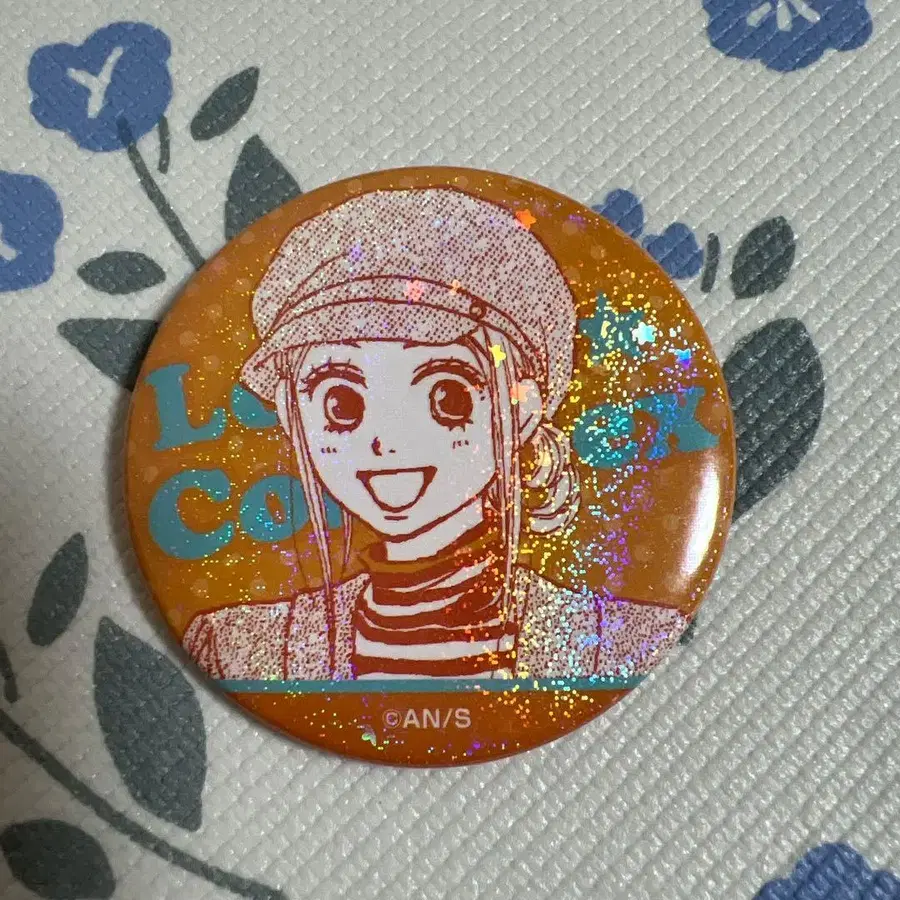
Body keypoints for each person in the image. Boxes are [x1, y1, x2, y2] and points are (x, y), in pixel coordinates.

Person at [183, 186, 687, 682]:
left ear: (522, 410)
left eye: (447, 398)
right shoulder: (241, 649)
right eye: (342, 405)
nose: (386, 442)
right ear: (294, 415)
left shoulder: (621, 645)